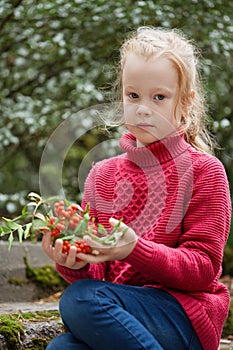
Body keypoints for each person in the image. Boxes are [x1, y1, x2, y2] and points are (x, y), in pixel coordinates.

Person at [42, 26, 232, 350]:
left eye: (159, 97)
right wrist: (72, 261)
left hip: (183, 317)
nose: (143, 108)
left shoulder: (204, 171)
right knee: (61, 348)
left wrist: (135, 249)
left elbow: (202, 269)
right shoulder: (102, 175)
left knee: (78, 300)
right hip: (126, 316)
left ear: (185, 103)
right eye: (133, 95)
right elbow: (98, 276)